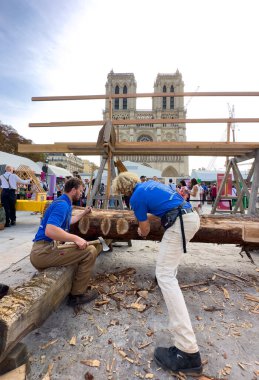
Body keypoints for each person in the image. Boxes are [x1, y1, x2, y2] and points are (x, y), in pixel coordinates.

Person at [112, 172, 202, 377]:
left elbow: (144, 227)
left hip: (179, 222)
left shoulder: (135, 198)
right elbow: (162, 207)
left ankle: (188, 350)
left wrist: (141, 232)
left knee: (165, 276)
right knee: (168, 273)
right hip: (189, 217)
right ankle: (185, 346)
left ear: (123, 190)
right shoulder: (150, 185)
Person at [30, 177, 99, 307]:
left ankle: (76, 287)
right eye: (80, 190)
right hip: (42, 252)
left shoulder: (63, 202)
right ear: (73, 190)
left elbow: (68, 221)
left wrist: (83, 213)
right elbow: (50, 230)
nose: (81, 193)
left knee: (84, 249)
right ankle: (77, 295)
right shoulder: (62, 205)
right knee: (90, 251)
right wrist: (76, 238)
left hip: (44, 249)